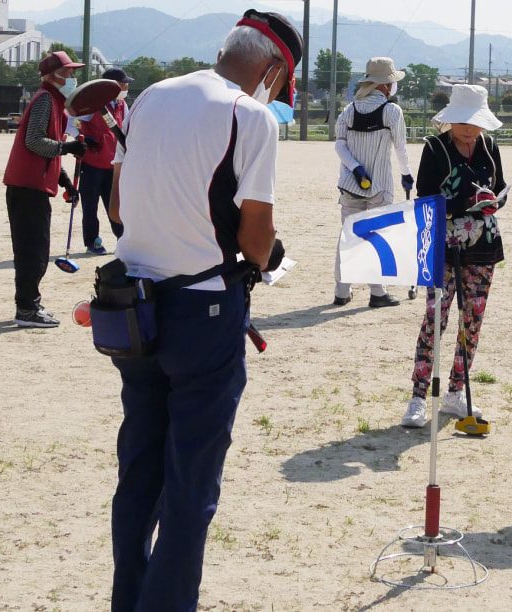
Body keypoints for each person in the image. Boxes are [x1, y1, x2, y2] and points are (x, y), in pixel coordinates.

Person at [106, 10, 301, 611]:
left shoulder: (153, 96)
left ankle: (129, 600)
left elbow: (117, 207)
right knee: (191, 485)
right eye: (281, 82)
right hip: (205, 313)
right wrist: (268, 256)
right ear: (271, 69)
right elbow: (256, 238)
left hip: (132, 308)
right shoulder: (251, 115)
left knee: (139, 472)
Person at [401, 84, 507, 428]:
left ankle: (456, 392)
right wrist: (466, 206)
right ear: (450, 119)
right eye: (462, 121)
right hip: (442, 248)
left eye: (474, 122)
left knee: (471, 323)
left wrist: (496, 201)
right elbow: (426, 197)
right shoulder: (434, 148)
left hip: (483, 246)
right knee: (435, 320)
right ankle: (418, 396)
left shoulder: (489, 147)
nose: (468, 129)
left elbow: (500, 186)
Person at [3, 51, 88, 328]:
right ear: (54, 76)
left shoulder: (52, 101)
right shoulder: (45, 100)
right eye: (69, 73)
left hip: (31, 186)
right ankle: (27, 309)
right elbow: (34, 142)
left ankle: (28, 305)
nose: (73, 78)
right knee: (33, 251)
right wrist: (68, 147)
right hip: (28, 187)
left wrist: (64, 182)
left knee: (34, 249)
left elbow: (45, 148)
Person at [332, 57, 413, 308]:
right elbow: (400, 147)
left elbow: (339, 144)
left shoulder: (349, 110)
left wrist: (355, 169)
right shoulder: (392, 111)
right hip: (380, 185)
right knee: (378, 237)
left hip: (350, 184)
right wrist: (406, 174)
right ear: (386, 86)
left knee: (349, 236)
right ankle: (378, 292)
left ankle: (341, 292)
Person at [70, 67, 132, 254]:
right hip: (92, 163)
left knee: (116, 203)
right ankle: (92, 241)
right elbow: (71, 122)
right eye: (123, 83)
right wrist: (81, 136)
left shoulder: (122, 105)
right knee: (90, 206)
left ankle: (123, 238)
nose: (126, 86)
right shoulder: (92, 103)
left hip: (113, 163)